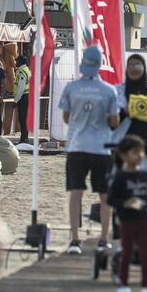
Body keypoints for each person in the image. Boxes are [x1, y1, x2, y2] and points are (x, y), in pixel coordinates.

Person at [59, 45, 120, 254]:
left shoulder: (71, 88)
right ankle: (103, 239)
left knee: (76, 193)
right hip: (101, 147)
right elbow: (114, 122)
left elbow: (66, 117)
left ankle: (75, 240)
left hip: (76, 145)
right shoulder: (109, 90)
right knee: (104, 195)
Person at [106, 135, 147, 292]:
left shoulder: (144, 175)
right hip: (127, 221)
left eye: (141, 152)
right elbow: (110, 200)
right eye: (134, 152)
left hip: (145, 220)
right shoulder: (120, 177)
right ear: (124, 155)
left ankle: (146, 289)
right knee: (127, 253)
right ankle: (123, 287)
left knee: (146, 254)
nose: (139, 156)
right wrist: (125, 203)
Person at [13, 55, 30, 144]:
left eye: (17, 61)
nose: (15, 63)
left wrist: (16, 100)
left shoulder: (21, 71)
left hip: (23, 97)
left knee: (22, 119)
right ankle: (24, 138)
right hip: (26, 96)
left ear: (20, 62)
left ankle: (24, 139)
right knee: (24, 118)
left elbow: (21, 87)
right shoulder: (27, 69)